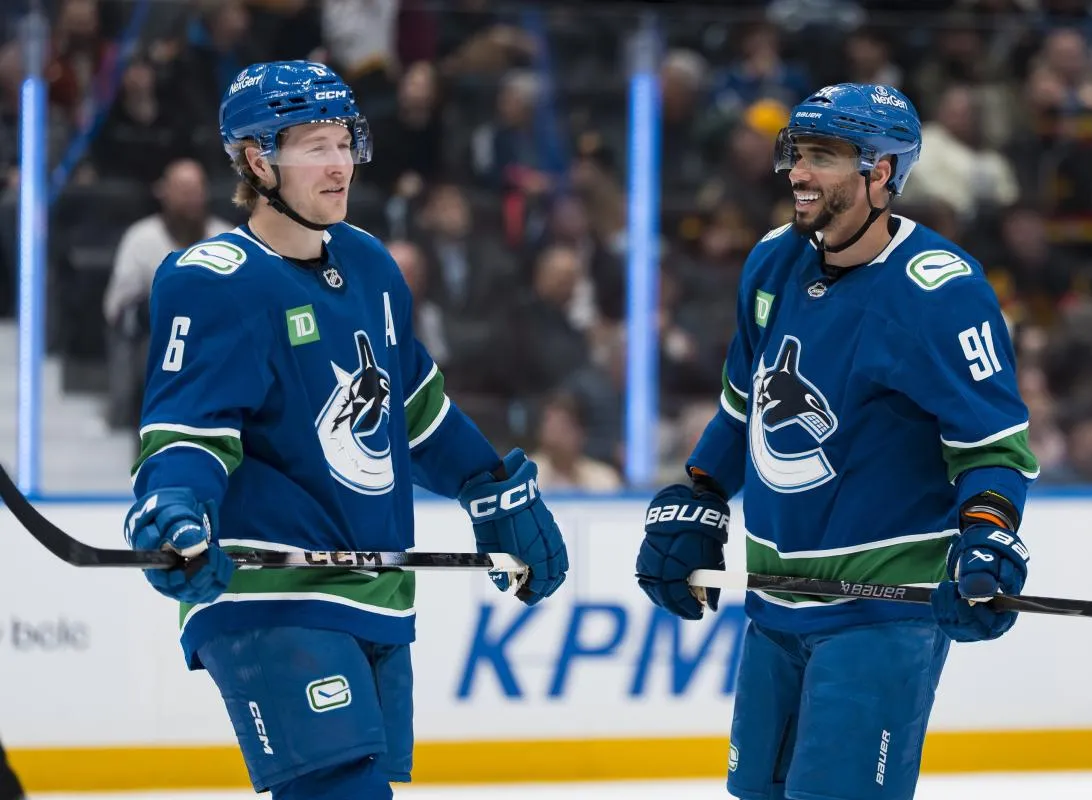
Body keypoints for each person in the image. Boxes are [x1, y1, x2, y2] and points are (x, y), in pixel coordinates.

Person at [122, 61, 568, 800]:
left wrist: (491, 489)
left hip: (376, 593)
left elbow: (417, 414)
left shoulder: (367, 262)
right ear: (258, 160)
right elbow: (188, 435)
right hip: (273, 595)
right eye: (316, 147)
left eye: (345, 142)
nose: (341, 166)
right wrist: (174, 508)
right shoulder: (215, 279)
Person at [635, 83, 1039, 800]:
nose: (798, 171)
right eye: (797, 152)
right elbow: (741, 409)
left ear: (880, 173)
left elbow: (993, 448)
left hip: (881, 612)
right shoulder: (771, 263)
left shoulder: (939, 292)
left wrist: (985, 533)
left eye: (823, 155)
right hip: (775, 604)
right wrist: (699, 492)